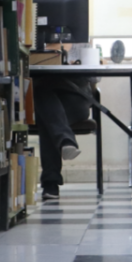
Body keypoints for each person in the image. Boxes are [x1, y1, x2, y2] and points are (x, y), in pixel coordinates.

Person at [34, 56, 97, 200]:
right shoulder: (35, 46)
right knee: (46, 105)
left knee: (49, 117)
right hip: (43, 97)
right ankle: (66, 142)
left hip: (74, 99)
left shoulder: (83, 46)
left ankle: (51, 184)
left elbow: (95, 78)